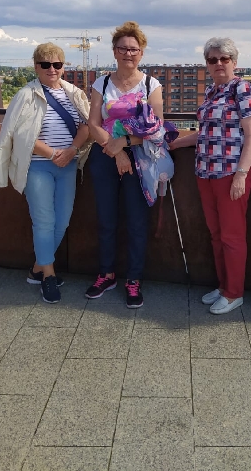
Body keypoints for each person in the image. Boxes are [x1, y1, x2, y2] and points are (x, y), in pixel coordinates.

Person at [0, 43, 90, 304]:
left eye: (57, 64)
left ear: (63, 67)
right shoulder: (25, 95)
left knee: (63, 221)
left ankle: (37, 268)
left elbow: (86, 126)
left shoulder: (74, 94)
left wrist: (71, 150)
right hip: (38, 166)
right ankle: (48, 275)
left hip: (68, 165)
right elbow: (19, 134)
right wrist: (53, 154)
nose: (51, 69)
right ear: (36, 67)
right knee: (44, 221)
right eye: (45, 64)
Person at [170, 38, 251, 314]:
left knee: (232, 236)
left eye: (224, 58)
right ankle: (223, 286)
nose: (218, 63)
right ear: (207, 64)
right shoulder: (211, 91)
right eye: (212, 59)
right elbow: (205, 133)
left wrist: (241, 174)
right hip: (205, 172)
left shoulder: (242, 88)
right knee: (216, 235)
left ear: (234, 62)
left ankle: (234, 293)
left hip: (230, 173)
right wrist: (174, 144)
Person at [85, 21, 163, 308]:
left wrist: (127, 143)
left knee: (137, 221)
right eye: (123, 48)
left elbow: (157, 128)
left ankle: (134, 279)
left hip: (140, 158)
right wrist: (116, 151)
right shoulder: (102, 83)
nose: (128, 54)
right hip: (105, 154)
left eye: (134, 49)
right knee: (106, 218)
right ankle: (106, 274)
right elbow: (93, 123)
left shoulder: (151, 85)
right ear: (114, 51)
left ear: (141, 53)